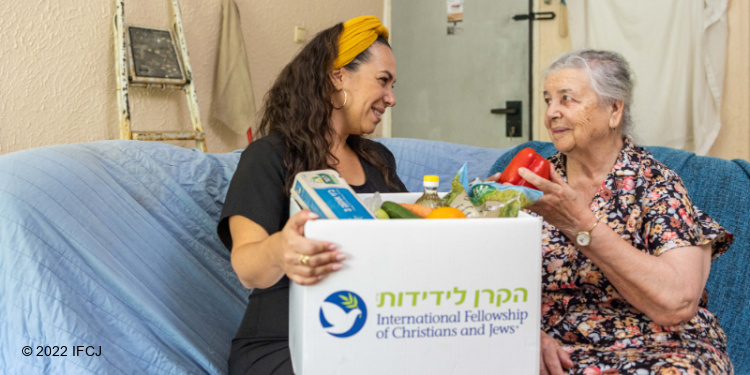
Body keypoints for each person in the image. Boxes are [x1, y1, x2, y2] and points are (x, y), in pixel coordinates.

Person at [493, 50, 734, 374]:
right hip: (551, 352)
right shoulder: (530, 181)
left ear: (614, 110)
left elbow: (677, 302)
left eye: (567, 99)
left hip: (656, 348)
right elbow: (480, 278)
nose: (551, 112)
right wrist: (519, 331)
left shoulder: (655, 185)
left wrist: (578, 223)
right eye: (548, 100)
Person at [216, 16, 407, 374]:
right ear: (337, 77)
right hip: (282, 342)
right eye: (383, 81)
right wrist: (279, 249)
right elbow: (247, 267)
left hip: (370, 334)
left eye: (393, 85)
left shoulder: (379, 163)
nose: (391, 99)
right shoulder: (270, 157)